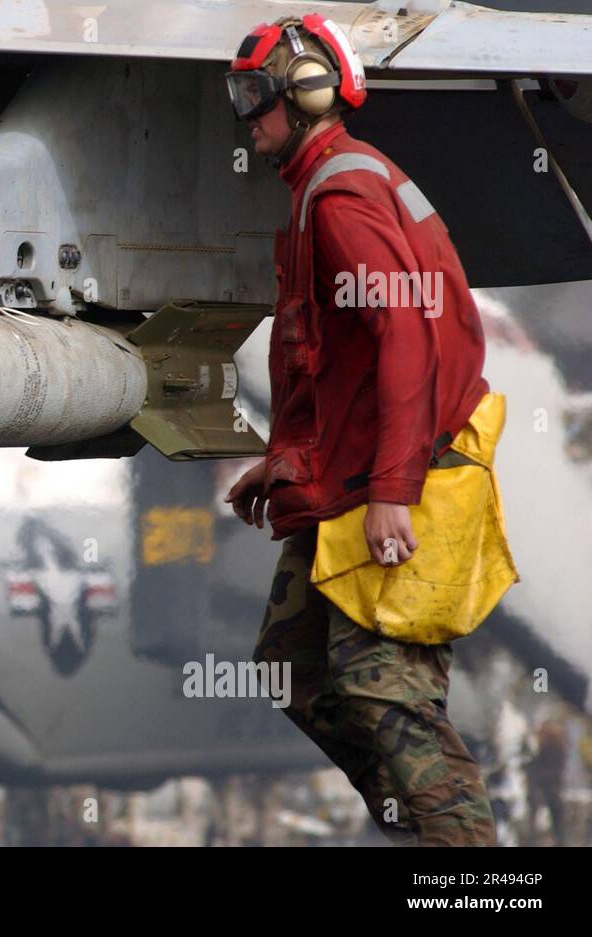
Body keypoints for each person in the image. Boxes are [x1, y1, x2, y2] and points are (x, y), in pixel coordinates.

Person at [223, 15, 499, 845]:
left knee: (383, 688)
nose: (247, 115)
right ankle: (425, 839)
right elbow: (329, 357)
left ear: (306, 90)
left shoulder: (339, 193)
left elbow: (406, 336)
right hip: (349, 473)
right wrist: (281, 461)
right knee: (294, 665)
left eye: (256, 95)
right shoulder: (326, 183)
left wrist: (392, 493)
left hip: (401, 480)